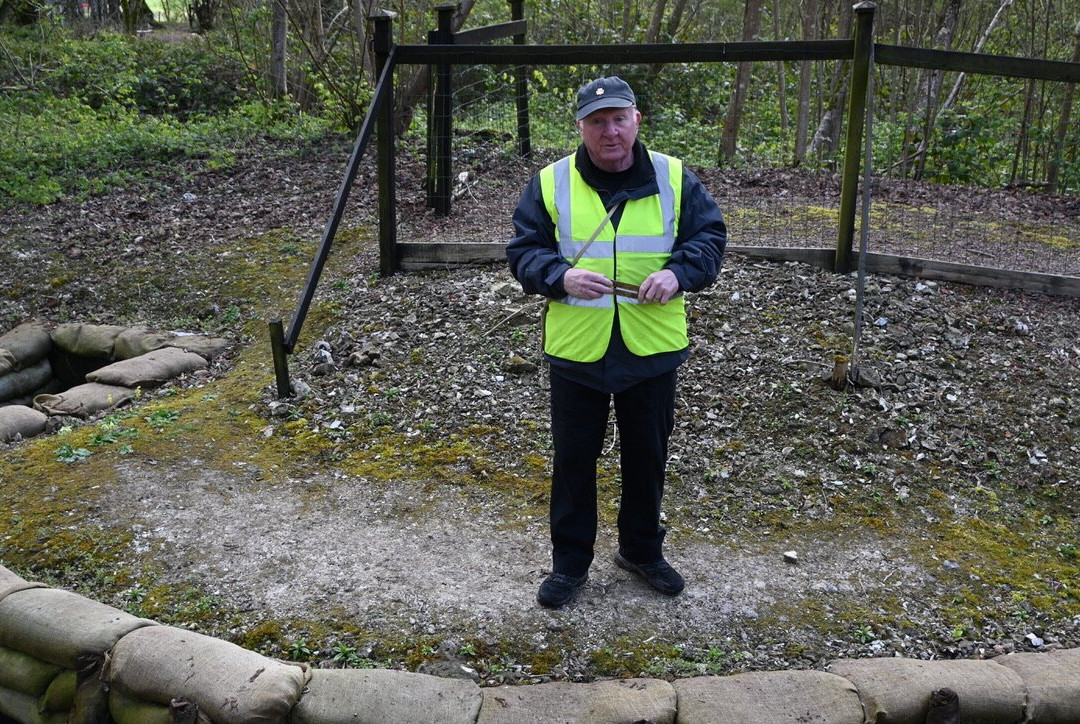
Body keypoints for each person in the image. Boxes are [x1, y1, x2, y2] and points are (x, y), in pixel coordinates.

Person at [507, 76, 727, 609]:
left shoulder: (675, 178)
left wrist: (678, 274)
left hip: (651, 347)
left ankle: (641, 550)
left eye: (618, 119)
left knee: (647, 456)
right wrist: (560, 277)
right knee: (574, 460)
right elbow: (523, 250)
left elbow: (710, 238)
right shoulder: (551, 182)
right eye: (597, 121)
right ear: (581, 127)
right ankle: (569, 564)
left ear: (636, 120)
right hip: (578, 349)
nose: (610, 131)